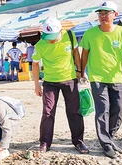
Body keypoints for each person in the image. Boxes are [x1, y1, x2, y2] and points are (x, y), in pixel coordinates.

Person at [80, 1, 122, 158]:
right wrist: (81, 72)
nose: (103, 16)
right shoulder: (90, 33)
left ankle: (110, 137)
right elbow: (84, 54)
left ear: (115, 15)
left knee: (118, 109)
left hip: (117, 77)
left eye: (107, 13)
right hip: (97, 77)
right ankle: (106, 144)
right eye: (100, 13)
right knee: (103, 110)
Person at [31, 16, 89, 154]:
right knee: (48, 112)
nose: (50, 39)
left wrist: (80, 72)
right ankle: (45, 143)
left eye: (53, 36)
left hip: (70, 80)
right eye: (47, 36)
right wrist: (36, 85)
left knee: (74, 112)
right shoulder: (40, 45)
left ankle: (79, 141)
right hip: (50, 82)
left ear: (60, 31)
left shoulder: (69, 35)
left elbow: (76, 53)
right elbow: (35, 64)